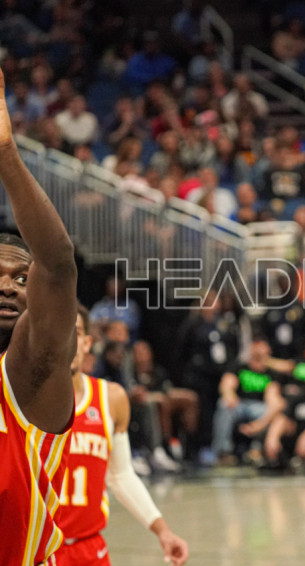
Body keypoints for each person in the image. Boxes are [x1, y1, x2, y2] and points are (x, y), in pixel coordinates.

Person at [0, 66, 79, 565]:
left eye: (20, 278)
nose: (7, 286)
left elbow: (57, 265)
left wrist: (6, 154)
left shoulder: (28, 376)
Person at [54, 306, 189, 565]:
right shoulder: (24, 401)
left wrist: (162, 530)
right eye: (59, 331)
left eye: (76, 333)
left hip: (89, 549)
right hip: (38, 551)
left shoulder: (111, 398)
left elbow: (120, 476)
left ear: (87, 343)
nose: (68, 341)